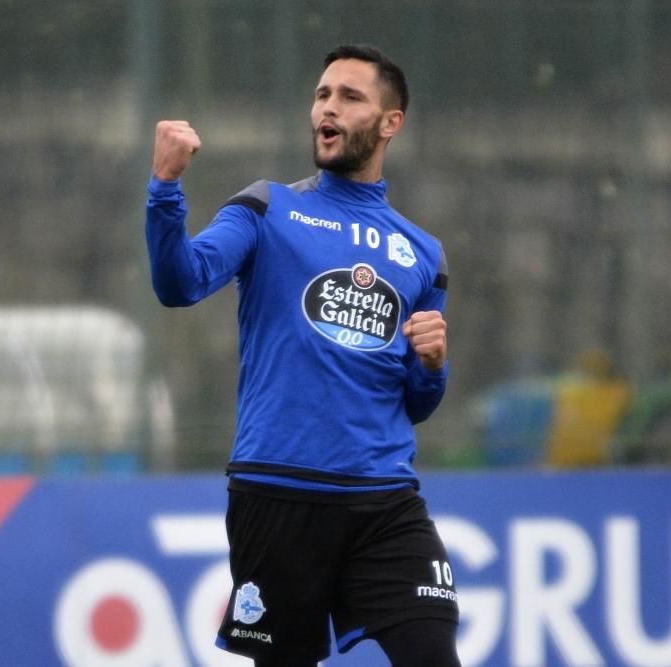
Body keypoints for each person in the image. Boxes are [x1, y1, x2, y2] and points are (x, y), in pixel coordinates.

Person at [145, 45, 461, 666]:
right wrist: (165, 187)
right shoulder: (267, 208)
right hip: (279, 493)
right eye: (322, 94)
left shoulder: (423, 253)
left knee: (432, 650)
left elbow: (417, 405)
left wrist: (433, 364)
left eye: (349, 96)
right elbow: (179, 284)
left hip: (386, 501)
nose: (328, 107)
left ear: (389, 122)